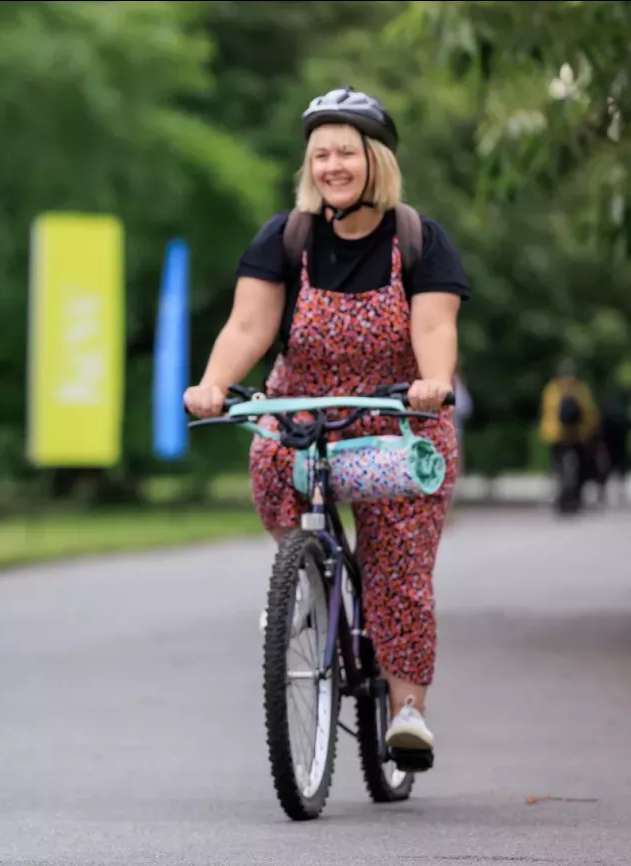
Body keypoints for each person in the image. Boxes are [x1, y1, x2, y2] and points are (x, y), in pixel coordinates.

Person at [183, 87, 472, 767]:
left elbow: (434, 324)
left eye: (345, 152)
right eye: (320, 155)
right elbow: (250, 325)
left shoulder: (418, 238)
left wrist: (432, 384)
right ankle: (305, 579)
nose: (331, 166)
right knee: (268, 463)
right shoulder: (287, 238)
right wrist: (214, 384)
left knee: (397, 563)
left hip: (399, 419)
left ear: (376, 161)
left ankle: (406, 710)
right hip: (302, 412)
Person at [538, 359, 599, 513]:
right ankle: (573, 499)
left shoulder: (552, 389)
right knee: (577, 469)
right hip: (576, 435)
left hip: (558, 436)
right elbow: (590, 413)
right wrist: (589, 432)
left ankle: (563, 499)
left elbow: (547, 413)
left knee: (560, 469)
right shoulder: (580, 389)